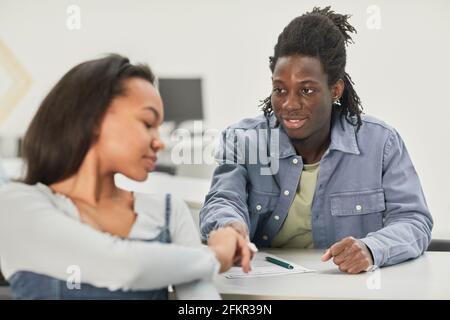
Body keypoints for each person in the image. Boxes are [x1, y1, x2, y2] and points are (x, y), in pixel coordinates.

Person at [200, 7, 432, 274]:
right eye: (280, 89)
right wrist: (231, 227)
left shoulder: (380, 143)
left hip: (348, 290)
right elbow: (223, 199)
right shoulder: (243, 140)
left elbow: (414, 220)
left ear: (335, 90)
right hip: (266, 288)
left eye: (306, 90)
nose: (289, 104)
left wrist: (371, 249)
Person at [0, 54, 251, 299]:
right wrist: (216, 255)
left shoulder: (168, 211)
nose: (159, 142)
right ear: (94, 118)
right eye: (147, 123)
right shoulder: (16, 204)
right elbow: (127, 266)